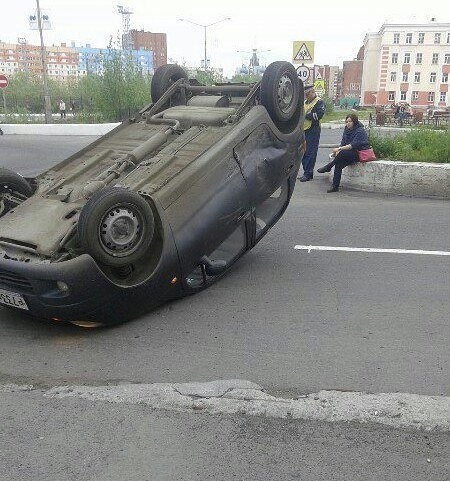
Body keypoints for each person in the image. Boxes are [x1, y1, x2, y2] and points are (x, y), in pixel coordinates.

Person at [317, 113, 369, 193]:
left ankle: (328, 167)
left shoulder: (360, 130)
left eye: (350, 121)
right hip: (348, 153)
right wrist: (338, 151)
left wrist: (339, 149)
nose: (348, 123)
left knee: (342, 153)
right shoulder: (346, 129)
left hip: (359, 153)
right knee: (338, 164)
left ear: (354, 122)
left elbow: (353, 145)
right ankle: (335, 186)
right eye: (346, 121)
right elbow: (343, 142)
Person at [298, 84, 325, 182]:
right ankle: (306, 172)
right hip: (304, 129)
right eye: (305, 94)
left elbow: (319, 115)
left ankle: (308, 173)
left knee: (310, 152)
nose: (306, 96)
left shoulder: (319, 102)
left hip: (313, 130)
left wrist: (306, 115)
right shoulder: (305, 102)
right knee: (303, 152)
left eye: (308, 94)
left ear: (313, 92)